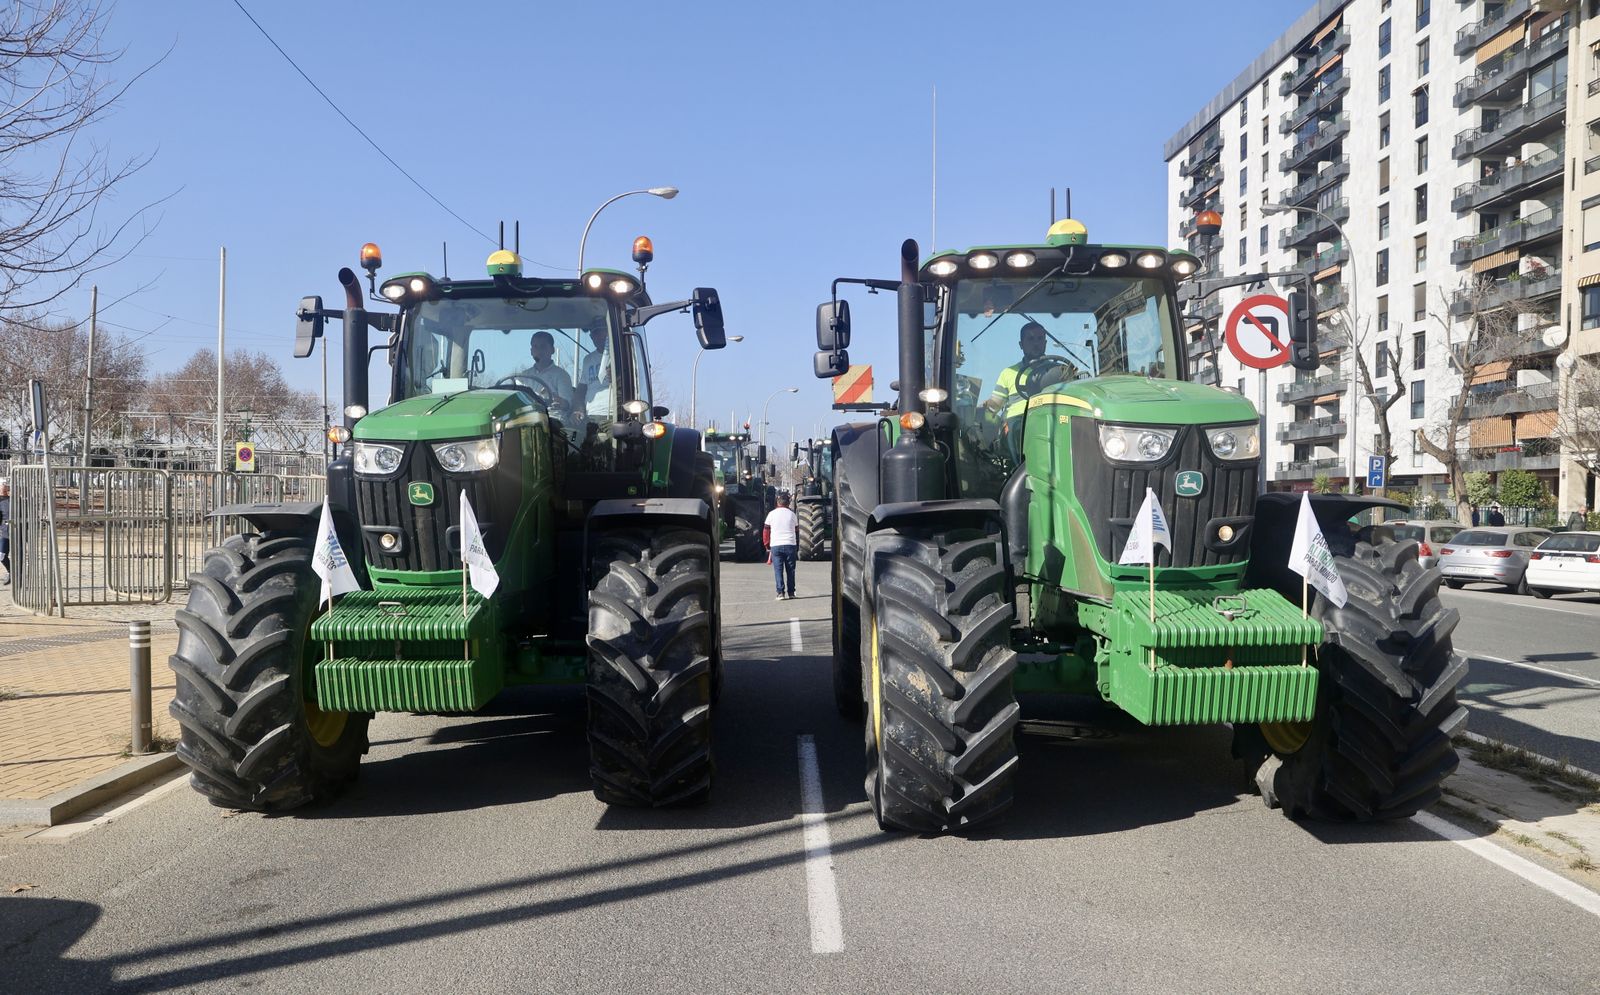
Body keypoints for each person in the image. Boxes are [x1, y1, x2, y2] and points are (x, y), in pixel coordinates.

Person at [517, 331, 575, 410]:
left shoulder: (561, 375)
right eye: (535, 346)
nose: (539, 350)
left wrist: (559, 402)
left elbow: (568, 405)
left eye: (543, 346)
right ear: (531, 351)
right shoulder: (523, 377)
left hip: (553, 418)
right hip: (527, 418)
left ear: (552, 350)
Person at [764, 492, 799, 600]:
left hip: (776, 545)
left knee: (778, 570)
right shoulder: (792, 514)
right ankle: (791, 593)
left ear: (777, 502)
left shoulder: (771, 514)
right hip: (790, 544)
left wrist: (766, 545)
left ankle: (780, 593)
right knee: (791, 570)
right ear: (788, 503)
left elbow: (766, 531)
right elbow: (796, 530)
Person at [575, 319, 610, 413]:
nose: (599, 336)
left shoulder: (620, 355)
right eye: (595, 333)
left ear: (609, 332)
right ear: (591, 337)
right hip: (591, 412)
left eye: (602, 331)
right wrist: (578, 409)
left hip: (612, 412)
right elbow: (581, 389)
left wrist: (617, 377)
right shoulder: (587, 360)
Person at [0, 478, 9, 584]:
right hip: (3, 532)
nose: (4, 486)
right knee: (1, 556)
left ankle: (15, 575)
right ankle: (10, 572)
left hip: (13, 531)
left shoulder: (14, 500)